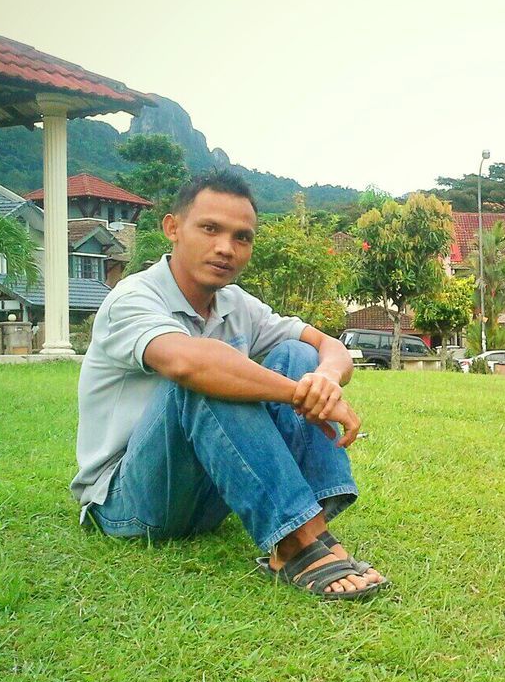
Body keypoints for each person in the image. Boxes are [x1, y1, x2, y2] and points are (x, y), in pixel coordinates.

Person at [71, 171, 386, 600]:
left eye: (242, 237)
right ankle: (296, 541)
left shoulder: (236, 303)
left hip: (209, 497)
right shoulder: (133, 298)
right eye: (209, 229)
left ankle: (310, 522)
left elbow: (328, 345)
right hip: (130, 503)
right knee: (209, 374)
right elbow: (186, 363)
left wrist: (324, 380)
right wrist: (296, 394)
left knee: (298, 356)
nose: (225, 248)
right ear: (172, 228)